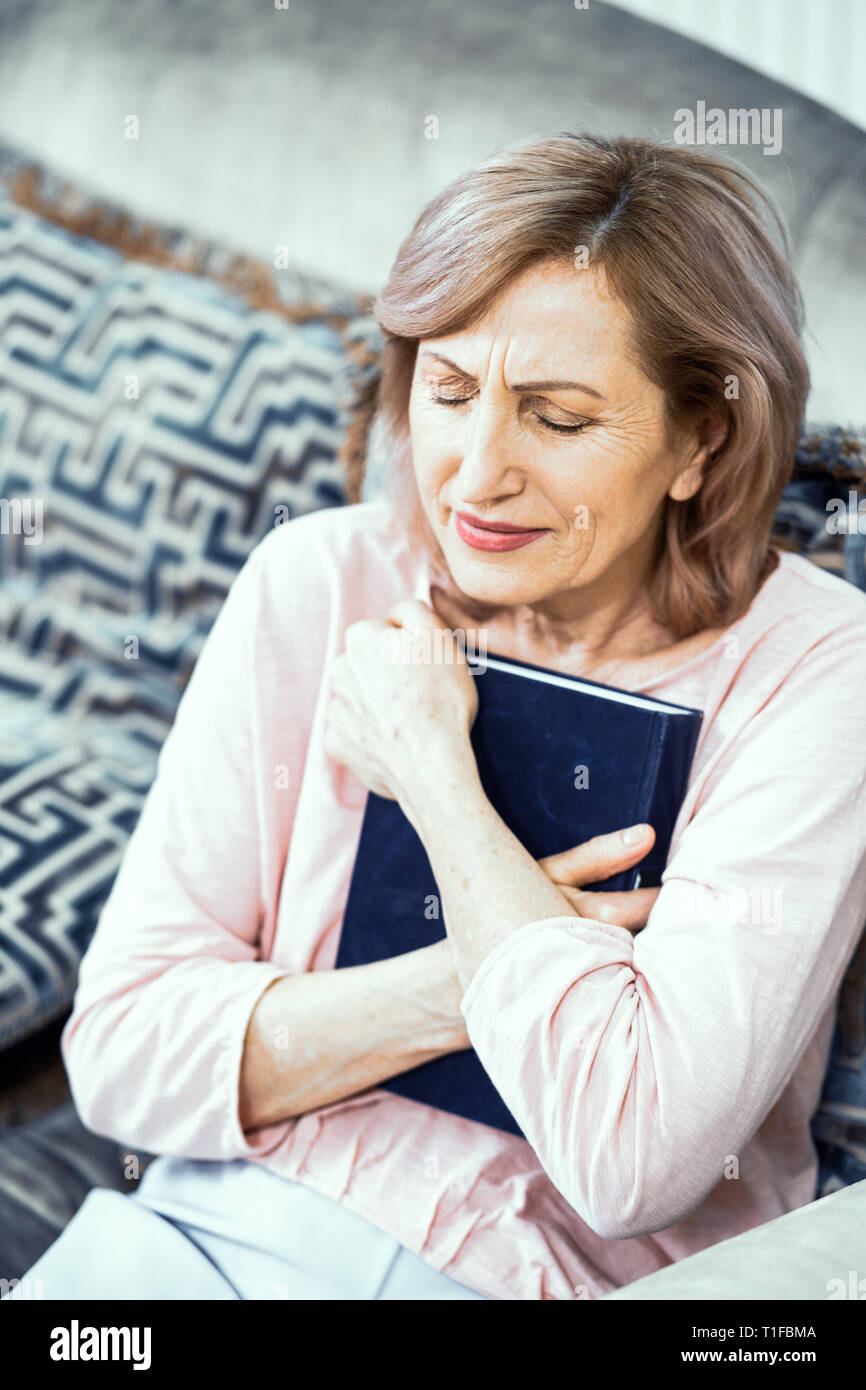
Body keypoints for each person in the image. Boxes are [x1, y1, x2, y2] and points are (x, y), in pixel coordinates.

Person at [8, 133, 866, 1302]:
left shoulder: (816, 669)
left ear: (698, 439)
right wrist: (474, 975)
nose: (472, 475)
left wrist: (431, 767)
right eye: (449, 392)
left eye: (556, 418)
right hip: (198, 1245)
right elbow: (119, 1057)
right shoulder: (318, 582)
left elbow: (631, 1156)